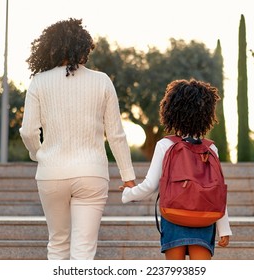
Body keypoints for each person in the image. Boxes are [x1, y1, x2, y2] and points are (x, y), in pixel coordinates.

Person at [19, 18, 136, 260]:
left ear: (50, 47)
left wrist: (38, 154)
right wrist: (128, 176)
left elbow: (28, 131)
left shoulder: (39, 82)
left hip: (51, 173)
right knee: (83, 251)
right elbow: (116, 134)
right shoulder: (102, 81)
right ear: (83, 47)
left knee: (57, 244)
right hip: (91, 173)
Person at [120, 78, 232, 260]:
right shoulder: (211, 148)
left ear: (171, 111)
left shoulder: (165, 145)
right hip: (204, 218)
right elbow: (217, 190)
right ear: (207, 114)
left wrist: (128, 193)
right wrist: (224, 228)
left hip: (173, 217)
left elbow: (150, 186)